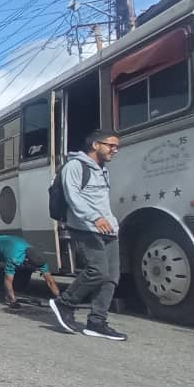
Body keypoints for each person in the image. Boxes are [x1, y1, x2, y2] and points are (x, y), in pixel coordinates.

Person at [49, 129, 126, 341]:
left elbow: (100, 200)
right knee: (97, 271)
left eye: (116, 146)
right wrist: (94, 217)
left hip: (107, 228)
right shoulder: (74, 166)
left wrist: (111, 222)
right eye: (111, 145)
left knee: (111, 278)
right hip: (84, 226)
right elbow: (73, 197)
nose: (115, 150)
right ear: (95, 145)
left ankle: (97, 322)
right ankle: (64, 303)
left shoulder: (102, 169)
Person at [0, 234, 62, 308]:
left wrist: (59, 299)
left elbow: (50, 281)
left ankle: (1, 293)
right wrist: (13, 301)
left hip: (5, 250)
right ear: (26, 260)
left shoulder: (39, 260)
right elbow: (8, 280)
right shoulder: (15, 257)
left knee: (22, 278)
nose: (37, 270)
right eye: (35, 268)